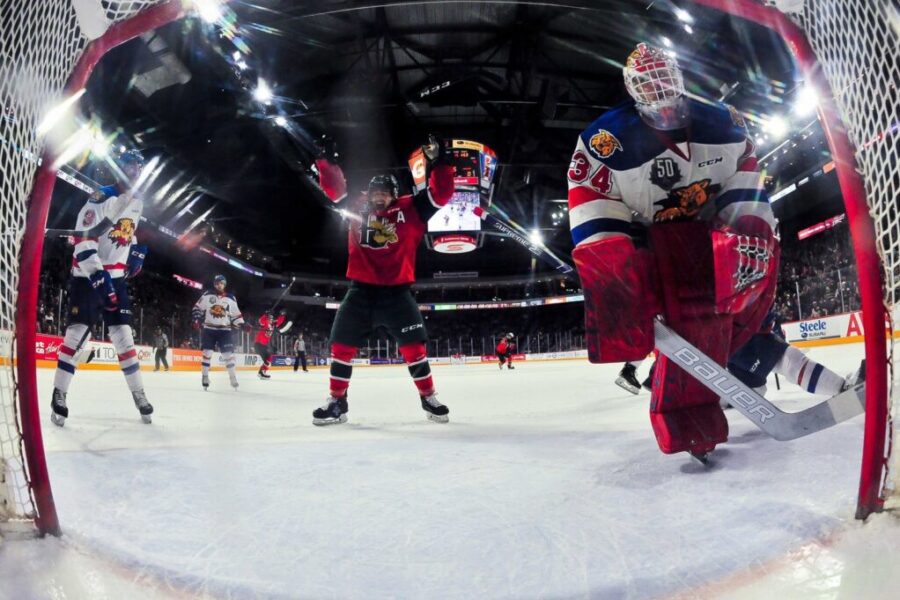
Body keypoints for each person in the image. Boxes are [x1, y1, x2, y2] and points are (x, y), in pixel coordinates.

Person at [567, 43, 779, 461]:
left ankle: (742, 381)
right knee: (660, 309)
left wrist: (750, 227)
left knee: (752, 320)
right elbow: (589, 190)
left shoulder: (723, 122)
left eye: (668, 88)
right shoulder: (605, 139)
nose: (663, 106)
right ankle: (692, 387)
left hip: (711, 229)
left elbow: (746, 170)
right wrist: (607, 254)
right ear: (634, 92)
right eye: (651, 92)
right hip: (653, 236)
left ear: (681, 80)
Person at [311, 138, 456, 425]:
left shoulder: (412, 209)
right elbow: (335, 188)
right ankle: (337, 402)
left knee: (415, 349)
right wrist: (324, 161)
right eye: (375, 191)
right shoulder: (356, 204)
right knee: (341, 346)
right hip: (360, 291)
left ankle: (428, 397)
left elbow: (441, 194)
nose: (379, 196)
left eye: (385, 192)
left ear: (394, 194)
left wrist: (440, 163)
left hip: (397, 294)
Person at [49, 150, 153, 426]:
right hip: (87, 277)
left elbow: (133, 230)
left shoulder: (138, 200)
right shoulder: (101, 198)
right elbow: (83, 242)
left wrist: (139, 250)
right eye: (130, 166)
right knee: (76, 336)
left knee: (124, 338)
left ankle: (139, 394)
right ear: (119, 169)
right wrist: (97, 277)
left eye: (139, 166)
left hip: (117, 279)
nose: (135, 171)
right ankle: (59, 394)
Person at [192, 274, 246, 390]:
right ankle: (205, 376)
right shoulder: (207, 295)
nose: (219, 285)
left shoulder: (231, 298)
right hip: (209, 329)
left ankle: (232, 377)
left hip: (224, 331)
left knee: (228, 355)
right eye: (217, 283)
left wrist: (243, 324)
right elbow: (197, 308)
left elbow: (236, 315)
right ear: (214, 284)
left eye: (221, 283)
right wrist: (196, 319)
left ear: (224, 284)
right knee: (207, 353)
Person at [255, 309, 287, 379]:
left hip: (264, 345)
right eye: (270, 319)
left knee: (269, 359)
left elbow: (279, 321)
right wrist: (265, 314)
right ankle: (261, 373)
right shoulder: (265, 323)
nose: (271, 320)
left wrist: (282, 315)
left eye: (272, 319)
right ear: (268, 319)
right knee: (266, 361)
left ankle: (262, 372)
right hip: (259, 344)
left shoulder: (273, 326)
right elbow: (260, 321)